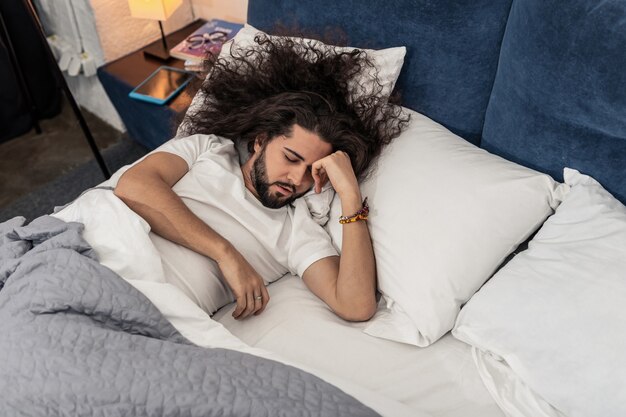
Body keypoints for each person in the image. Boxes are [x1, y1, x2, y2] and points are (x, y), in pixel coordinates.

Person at [114, 33, 409, 322]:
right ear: (260, 141)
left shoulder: (296, 232)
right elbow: (134, 185)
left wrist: (350, 196)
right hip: (103, 248)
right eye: (291, 158)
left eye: (311, 170)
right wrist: (226, 254)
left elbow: (356, 306)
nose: (296, 177)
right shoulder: (208, 149)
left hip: (144, 308)